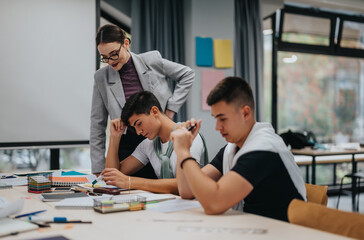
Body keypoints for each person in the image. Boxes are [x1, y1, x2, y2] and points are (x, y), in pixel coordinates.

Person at [171, 77, 306, 221]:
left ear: (245, 113)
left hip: (284, 232)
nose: (217, 127)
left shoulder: (263, 149)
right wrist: (184, 150)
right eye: (216, 119)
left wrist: (184, 152)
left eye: (222, 119)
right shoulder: (232, 149)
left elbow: (214, 203)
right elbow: (187, 191)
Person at [91, 24, 195, 175]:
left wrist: (171, 109)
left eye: (113, 54)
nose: (110, 61)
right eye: (105, 57)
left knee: (164, 180)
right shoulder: (101, 77)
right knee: (127, 186)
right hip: (128, 143)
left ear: (126, 43)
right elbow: (97, 124)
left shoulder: (151, 60)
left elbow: (188, 74)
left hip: (159, 135)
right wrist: (98, 169)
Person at [101, 91, 205, 194]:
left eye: (139, 123)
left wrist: (130, 182)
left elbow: (184, 185)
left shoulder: (189, 136)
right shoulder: (148, 145)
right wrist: (115, 137)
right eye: (134, 127)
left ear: (154, 111)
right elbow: (112, 176)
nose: (138, 132)